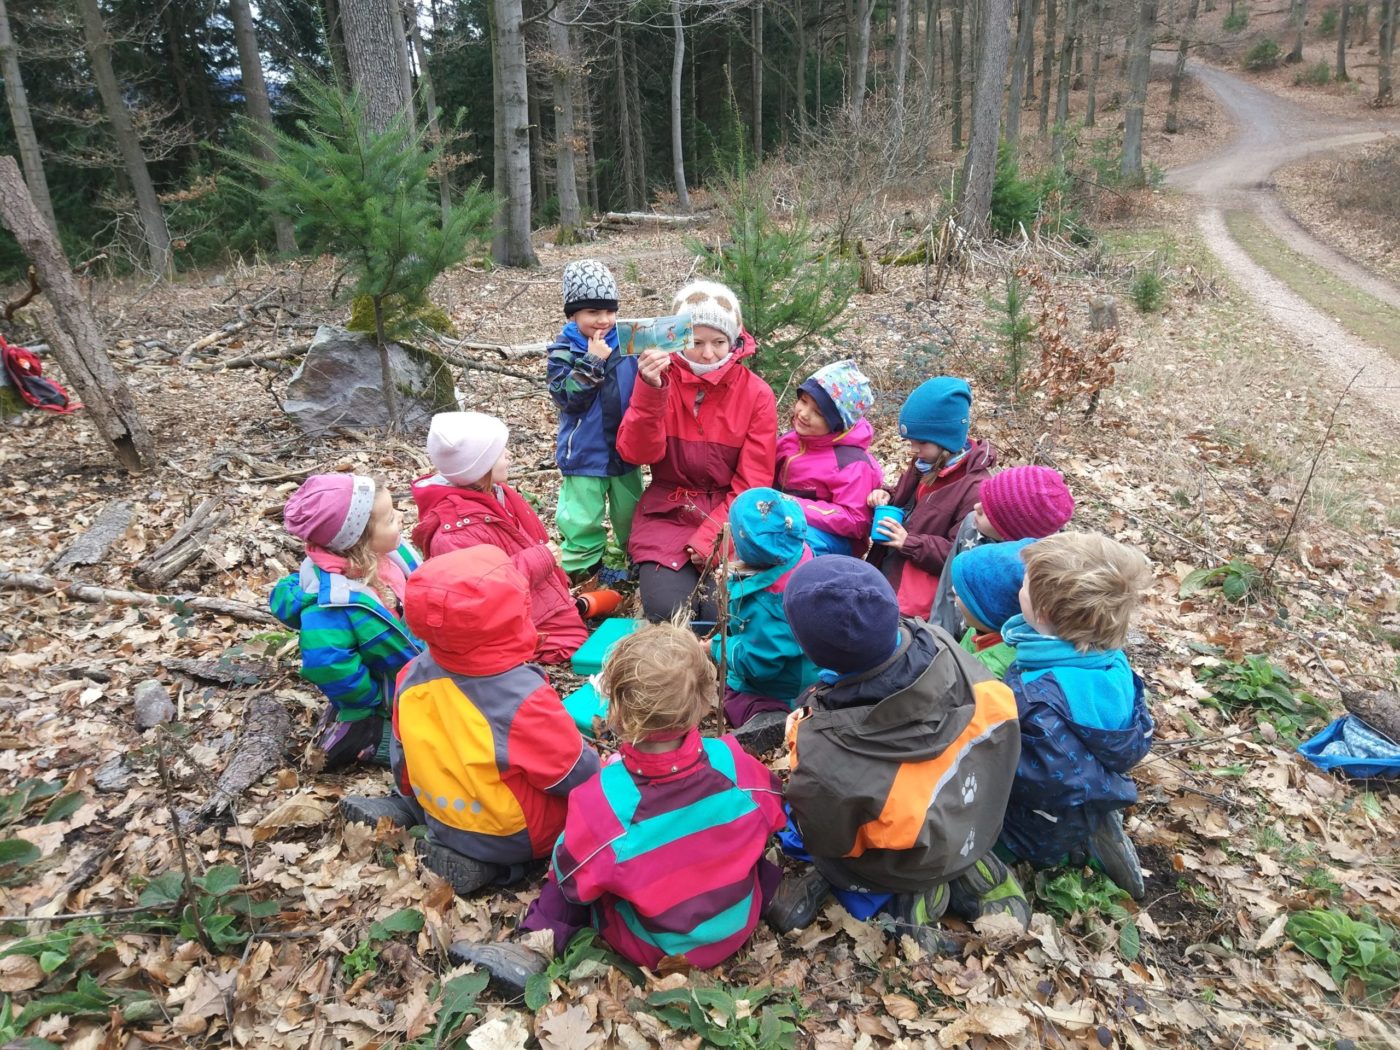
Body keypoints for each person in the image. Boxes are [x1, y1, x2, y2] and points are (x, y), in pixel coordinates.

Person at [450, 624, 786, 993]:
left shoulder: (604, 800)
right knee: (743, 839)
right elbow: (773, 806)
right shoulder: (732, 762)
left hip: (655, 946)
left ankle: (534, 944)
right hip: (736, 927)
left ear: (617, 712)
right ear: (705, 703)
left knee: (566, 881)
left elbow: (572, 877)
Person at [767, 557, 1030, 950]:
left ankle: (909, 890)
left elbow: (831, 839)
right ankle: (962, 867)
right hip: (977, 816)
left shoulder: (824, 750)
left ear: (814, 654)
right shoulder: (943, 643)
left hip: (900, 860)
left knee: (824, 844)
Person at [340, 545, 601, 895]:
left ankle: (409, 815)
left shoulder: (410, 676)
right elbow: (575, 774)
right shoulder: (523, 697)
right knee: (578, 805)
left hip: (440, 810)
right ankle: (498, 868)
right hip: (513, 834)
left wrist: (410, 796)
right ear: (515, 620)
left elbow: (402, 756)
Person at [998, 533, 1155, 900]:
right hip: (1088, 772)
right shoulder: (1111, 661)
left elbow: (1032, 778)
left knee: (1000, 837)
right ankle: (1096, 817)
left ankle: (1077, 845)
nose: (1018, 588)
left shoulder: (1036, 701)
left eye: (1024, 585)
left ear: (1043, 612)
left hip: (1042, 816)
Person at [615, 280, 778, 623]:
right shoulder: (659, 376)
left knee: (718, 615)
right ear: (677, 338)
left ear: (734, 341)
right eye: (696, 342)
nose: (708, 354)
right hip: (667, 512)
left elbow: (753, 483)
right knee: (670, 613)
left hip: (731, 518)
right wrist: (650, 391)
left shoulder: (756, 394)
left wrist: (711, 539)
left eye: (719, 343)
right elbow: (635, 452)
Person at [270, 474, 421, 770]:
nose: (401, 519)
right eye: (390, 519)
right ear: (358, 540)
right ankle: (365, 733)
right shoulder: (332, 606)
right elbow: (328, 664)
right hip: (389, 690)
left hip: (409, 662)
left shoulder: (391, 554)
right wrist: (373, 701)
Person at [411, 411, 587, 664]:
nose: (509, 454)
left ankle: (577, 608)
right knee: (569, 646)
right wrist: (541, 557)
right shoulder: (455, 533)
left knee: (577, 632)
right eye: (499, 451)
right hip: (510, 617)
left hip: (534, 597)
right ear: (478, 467)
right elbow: (481, 589)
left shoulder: (494, 493)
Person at [546, 259, 643, 586]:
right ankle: (584, 570)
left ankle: (635, 561)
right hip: (585, 451)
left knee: (631, 511)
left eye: (609, 311)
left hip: (626, 448)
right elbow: (565, 397)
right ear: (573, 314)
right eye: (592, 313)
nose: (603, 320)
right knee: (582, 517)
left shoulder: (629, 340)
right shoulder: (565, 349)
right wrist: (592, 362)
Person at [868, 377, 996, 618]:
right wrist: (887, 494)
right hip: (887, 576)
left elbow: (958, 553)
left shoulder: (974, 487)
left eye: (921, 443)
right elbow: (913, 504)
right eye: (910, 442)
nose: (913, 450)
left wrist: (909, 542)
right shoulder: (925, 463)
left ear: (946, 438)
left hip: (917, 603)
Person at [717, 488, 820, 750]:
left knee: (735, 698)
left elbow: (759, 665)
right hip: (808, 666)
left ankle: (771, 719)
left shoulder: (769, 603)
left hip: (781, 686)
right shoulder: (797, 551)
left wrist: (717, 648)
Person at [929, 465, 1074, 638]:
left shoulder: (1035, 574)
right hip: (947, 638)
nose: (976, 507)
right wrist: (935, 633)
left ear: (1016, 534)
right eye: (983, 499)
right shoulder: (971, 524)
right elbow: (946, 588)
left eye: (990, 511)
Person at [774, 360, 884, 557]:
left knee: (792, 544)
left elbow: (856, 520)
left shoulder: (852, 463)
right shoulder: (793, 440)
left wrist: (792, 505)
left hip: (832, 541)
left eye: (818, 413)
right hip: (787, 519)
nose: (804, 414)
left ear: (837, 424)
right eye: (804, 401)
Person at [947, 540, 1034, 679]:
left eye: (963, 594)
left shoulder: (991, 672)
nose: (953, 590)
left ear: (989, 613)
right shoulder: (981, 627)